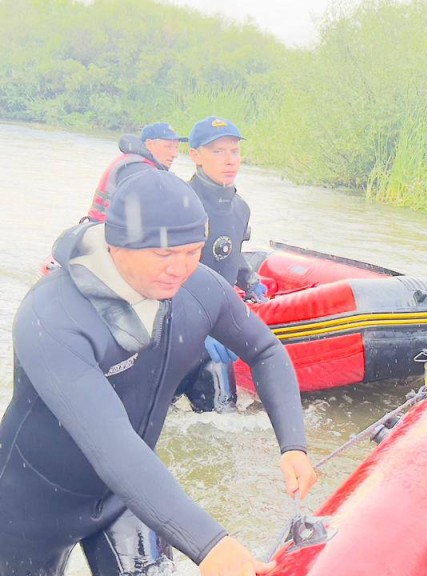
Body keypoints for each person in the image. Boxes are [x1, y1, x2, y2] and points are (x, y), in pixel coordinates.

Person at [0, 170, 317, 575]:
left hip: (128, 495)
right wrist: (211, 545)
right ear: (117, 244)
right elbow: (110, 444)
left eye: (193, 251)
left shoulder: (201, 288)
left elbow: (266, 350)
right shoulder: (52, 316)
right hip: (32, 504)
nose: (180, 269)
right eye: (164, 254)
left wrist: (293, 444)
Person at [178, 116, 266, 413]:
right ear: (195, 156)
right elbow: (164, 271)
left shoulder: (241, 208)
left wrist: (249, 280)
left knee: (223, 420)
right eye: (217, 152)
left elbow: (228, 252)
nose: (229, 160)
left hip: (216, 333)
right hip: (175, 331)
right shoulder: (179, 202)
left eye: (234, 151)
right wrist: (196, 328)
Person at [86, 122, 188, 222]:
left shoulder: (134, 162)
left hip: (109, 228)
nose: (175, 154)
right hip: (104, 230)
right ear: (149, 144)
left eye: (176, 147)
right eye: (168, 147)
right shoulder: (138, 170)